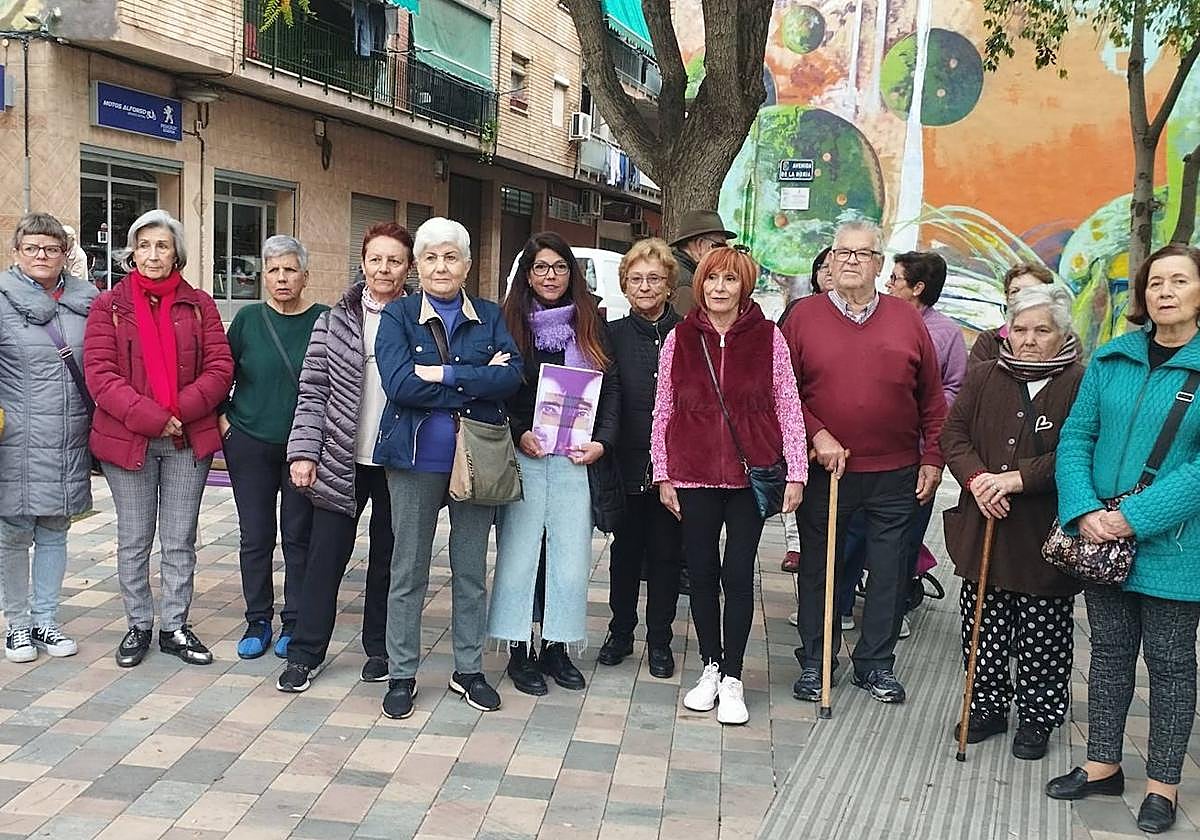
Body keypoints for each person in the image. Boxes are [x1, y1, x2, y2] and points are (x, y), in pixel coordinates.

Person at [1046, 245, 1200, 834]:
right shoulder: (1111, 360)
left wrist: (1134, 516)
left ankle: (1162, 784)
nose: (1164, 290)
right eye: (1155, 281)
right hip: (1100, 539)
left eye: (1179, 280)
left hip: (1176, 546)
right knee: (1108, 655)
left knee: (1169, 663)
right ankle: (1102, 763)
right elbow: (1077, 437)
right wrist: (1084, 509)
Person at [784, 219, 947, 706]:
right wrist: (817, 433)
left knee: (890, 570)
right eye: (843, 252)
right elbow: (784, 393)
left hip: (895, 472)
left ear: (879, 264)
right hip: (825, 472)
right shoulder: (802, 317)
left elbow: (932, 399)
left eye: (863, 253)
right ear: (829, 261)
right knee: (821, 568)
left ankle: (875, 663)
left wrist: (933, 459)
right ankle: (816, 660)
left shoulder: (906, 319)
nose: (852, 260)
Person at [373, 217, 523, 719]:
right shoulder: (397, 316)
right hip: (414, 461)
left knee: (470, 571)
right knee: (408, 567)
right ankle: (401, 673)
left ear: (467, 264)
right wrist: (480, 376)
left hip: (477, 461)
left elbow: (513, 379)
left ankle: (468, 669)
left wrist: (443, 373)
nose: (441, 266)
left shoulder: (489, 314)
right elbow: (399, 385)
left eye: (450, 257)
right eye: (431, 257)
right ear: (417, 265)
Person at [653, 246, 807, 725]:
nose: (720, 288)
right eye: (712, 279)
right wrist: (662, 472)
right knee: (700, 573)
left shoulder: (768, 337)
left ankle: (735, 676)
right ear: (699, 285)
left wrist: (796, 472)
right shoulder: (679, 337)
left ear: (745, 287)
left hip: (749, 476)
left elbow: (788, 405)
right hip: (693, 472)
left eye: (730, 280)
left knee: (738, 574)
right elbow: (664, 407)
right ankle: (711, 666)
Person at [83, 210, 233, 667]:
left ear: (176, 254)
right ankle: (138, 625)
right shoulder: (108, 306)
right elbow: (100, 375)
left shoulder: (200, 305)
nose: (152, 254)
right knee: (133, 537)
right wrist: (152, 418)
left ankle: (174, 626)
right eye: (144, 245)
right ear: (132, 253)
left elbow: (220, 368)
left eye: (161, 245)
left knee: (179, 537)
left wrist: (178, 414)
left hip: (186, 440)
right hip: (128, 439)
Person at [940, 285, 1083, 760]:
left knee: (1044, 633)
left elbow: (1080, 452)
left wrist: (1018, 480)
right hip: (985, 525)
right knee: (983, 624)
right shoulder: (984, 376)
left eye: (1041, 330)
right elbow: (953, 435)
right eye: (1020, 329)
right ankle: (985, 707)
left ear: (1062, 332)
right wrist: (979, 479)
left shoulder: (1082, 382)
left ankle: (1038, 718)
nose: (1028, 339)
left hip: (1044, 531)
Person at [276, 222, 410, 693]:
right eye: (376, 258)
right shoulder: (334, 320)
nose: (384, 268)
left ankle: (380, 649)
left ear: (407, 267)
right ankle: (305, 652)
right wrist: (303, 453)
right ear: (363, 263)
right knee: (325, 557)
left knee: (389, 559)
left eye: (394, 260)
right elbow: (312, 392)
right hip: (340, 460)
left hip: (398, 461)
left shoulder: (419, 317)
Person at [490, 231, 621, 696]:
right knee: (521, 556)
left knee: (568, 560)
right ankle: (520, 652)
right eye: (541, 267)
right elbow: (497, 393)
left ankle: (558, 648)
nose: (551, 275)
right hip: (525, 455)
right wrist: (518, 430)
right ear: (527, 274)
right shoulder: (506, 325)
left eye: (559, 267)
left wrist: (602, 442)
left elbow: (612, 391)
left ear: (572, 273)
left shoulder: (592, 324)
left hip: (575, 459)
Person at [221, 235, 328, 659]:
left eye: (290, 270)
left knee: (299, 536)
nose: (281, 278)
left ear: (305, 276)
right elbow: (220, 371)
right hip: (249, 442)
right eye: (273, 271)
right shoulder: (247, 319)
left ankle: (295, 622)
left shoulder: (325, 319)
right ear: (264, 276)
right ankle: (257, 619)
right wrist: (224, 420)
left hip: (303, 448)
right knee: (256, 535)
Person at [0, 213, 98, 663]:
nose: (42, 256)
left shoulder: (88, 301)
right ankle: (17, 625)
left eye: (51, 249)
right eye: (33, 248)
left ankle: (46, 619)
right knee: (15, 534)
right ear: (16, 252)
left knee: (56, 531)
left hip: (69, 436)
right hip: (14, 439)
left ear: (65, 255)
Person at [598, 238, 684, 678]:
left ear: (669, 285)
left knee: (667, 554)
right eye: (636, 279)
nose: (645, 287)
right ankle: (620, 631)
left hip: (676, 467)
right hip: (625, 461)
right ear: (625, 286)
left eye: (654, 279)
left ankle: (661, 640)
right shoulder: (609, 335)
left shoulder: (688, 334)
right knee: (625, 552)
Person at [884, 251, 968, 637]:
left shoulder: (946, 333)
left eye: (896, 279)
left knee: (906, 533)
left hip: (919, 451)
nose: (888, 285)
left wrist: (920, 406)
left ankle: (897, 604)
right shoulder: (880, 319)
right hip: (877, 447)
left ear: (918, 288)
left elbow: (954, 388)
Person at [780, 246, 832, 578]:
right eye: (822, 266)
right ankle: (795, 546)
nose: (828, 271)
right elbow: (783, 374)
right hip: (802, 423)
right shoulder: (799, 311)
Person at [970, 263, 1054, 364]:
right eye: (1015, 291)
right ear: (1007, 297)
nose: (1021, 297)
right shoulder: (988, 342)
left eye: (1031, 291)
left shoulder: (1066, 341)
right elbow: (975, 378)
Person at [668, 210, 735, 316]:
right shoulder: (686, 286)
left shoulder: (675, 269)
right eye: (720, 245)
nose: (724, 252)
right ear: (700, 244)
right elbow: (683, 331)